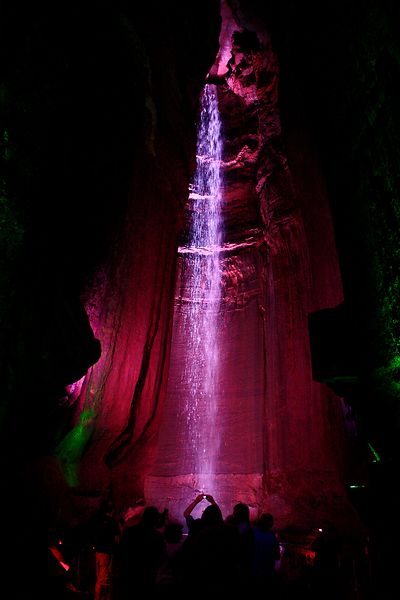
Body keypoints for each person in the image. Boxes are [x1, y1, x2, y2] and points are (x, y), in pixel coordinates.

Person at [117, 505, 167, 598]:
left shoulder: (129, 532)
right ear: (155, 519)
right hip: (147, 576)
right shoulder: (156, 537)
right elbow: (161, 558)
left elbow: (121, 552)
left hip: (130, 575)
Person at [91, 497, 120, 600]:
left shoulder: (96, 519)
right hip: (107, 553)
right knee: (106, 579)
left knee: (99, 578)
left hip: (98, 552)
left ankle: (98, 597)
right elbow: (117, 540)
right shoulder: (112, 522)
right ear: (112, 509)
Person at [252, 512, 281, 591]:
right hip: (267, 573)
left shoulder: (253, 533)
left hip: (253, 571)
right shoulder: (272, 538)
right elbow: (277, 556)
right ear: (271, 524)